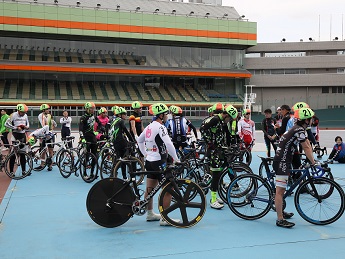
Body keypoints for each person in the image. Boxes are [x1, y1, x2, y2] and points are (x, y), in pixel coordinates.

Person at [137, 103, 180, 226]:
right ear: (161, 115)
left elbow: (139, 140)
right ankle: (165, 218)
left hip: (150, 161)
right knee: (168, 189)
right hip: (160, 161)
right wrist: (176, 159)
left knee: (150, 189)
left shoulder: (149, 126)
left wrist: (145, 153)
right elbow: (169, 144)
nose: (167, 116)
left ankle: (150, 213)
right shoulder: (161, 127)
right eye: (166, 113)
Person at [273, 107, 316, 228]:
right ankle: (280, 219)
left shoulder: (299, 129)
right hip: (282, 160)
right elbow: (306, 148)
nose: (312, 120)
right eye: (310, 118)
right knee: (280, 191)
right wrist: (313, 162)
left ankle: (280, 210)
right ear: (306, 120)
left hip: (285, 159)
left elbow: (307, 144)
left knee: (282, 190)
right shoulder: (298, 130)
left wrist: (313, 159)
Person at [200, 104, 238, 210]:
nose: (229, 120)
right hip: (214, 151)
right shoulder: (215, 119)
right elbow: (203, 129)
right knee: (216, 174)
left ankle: (215, 195)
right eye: (229, 118)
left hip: (219, 150)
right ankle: (213, 199)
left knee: (220, 171)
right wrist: (209, 142)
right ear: (226, 115)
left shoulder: (221, 121)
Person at [108, 107, 134, 179]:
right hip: (120, 141)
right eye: (124, 114)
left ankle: (112, 173)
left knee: (119, 158)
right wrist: (132, 140)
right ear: (120, 115)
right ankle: (125, 177)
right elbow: (126, 131)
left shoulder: (114, 120)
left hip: (115, 142)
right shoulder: (120, 121)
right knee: (125, 159)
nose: (126, 115)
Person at [4, 104, 30, 176]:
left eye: (25, 112)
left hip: (22, 135)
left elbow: (28, 125)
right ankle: (11, 171)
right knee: (13, 154)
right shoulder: (13, 115)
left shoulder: (25, 115)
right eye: (23, 112)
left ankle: (24, 171)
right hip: (15, 135)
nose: (24, 113)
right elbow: (6, 124)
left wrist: (26, 127)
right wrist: (15, 127)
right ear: (18, 111)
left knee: (22, 154)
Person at [79, 102, 98, 179]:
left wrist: (101, 129)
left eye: (93, 108)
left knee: (94, 157)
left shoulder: (94, 116)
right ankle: (84, 173)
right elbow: (80, 129)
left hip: (93, 137)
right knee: (86, 157)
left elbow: (99, 124)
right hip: (85, 138)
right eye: (91, 108)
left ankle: (92, 173)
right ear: (87, 109)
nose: (93, 110)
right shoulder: (83, 118)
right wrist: (82, 138)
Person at [36, 104, 57, 171]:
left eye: (48, 109)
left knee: (51, 150)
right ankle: (42, 164)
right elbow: (43, 125)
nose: (48, 110)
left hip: (50, 134)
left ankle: (50, 165)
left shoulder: (50, 115)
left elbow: (53, 124)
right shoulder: (40, 115)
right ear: (43, 110)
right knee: (43, 150)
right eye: (47, 109)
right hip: (44, 134)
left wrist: (52, 129)